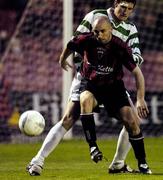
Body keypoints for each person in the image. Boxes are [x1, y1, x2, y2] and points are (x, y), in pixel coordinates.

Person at [27, 0, 144, 175]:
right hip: (88, 78)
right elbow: (77, 41)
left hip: (111, 82)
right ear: (115, 3)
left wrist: (118, 59)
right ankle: (37, 161)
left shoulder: (131, 29)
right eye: (123, 7)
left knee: (133, 120)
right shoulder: (95, 16)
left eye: (129, 9)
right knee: (68, 118)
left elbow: (136, 57)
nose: (125, 12)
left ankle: (118, 164)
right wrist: (88, 63)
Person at [60, 16, 152, 174]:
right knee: (84, 99)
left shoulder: (120, 46)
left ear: (111, 30)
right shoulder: (86, 39)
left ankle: (142, 163)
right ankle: (93, 147)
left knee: (131, 122)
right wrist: (63, 58)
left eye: (102, 31)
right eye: (95, 32)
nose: (99, 35)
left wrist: (140, 99)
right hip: (92, 85)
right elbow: (71, 44)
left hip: (113, 88)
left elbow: (138, 73)